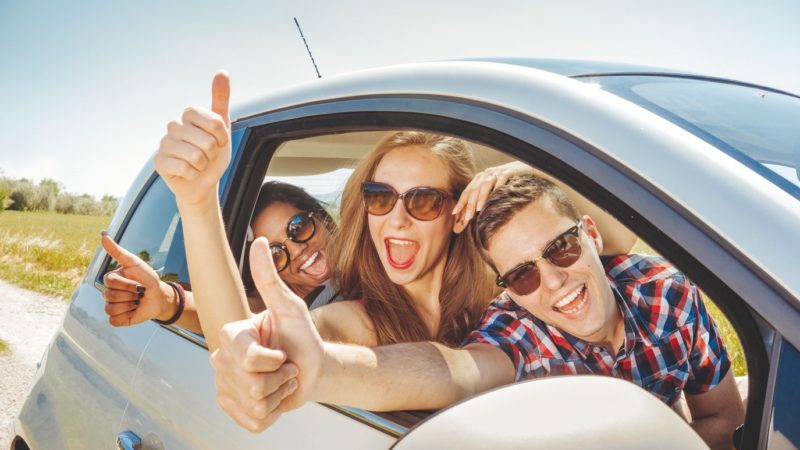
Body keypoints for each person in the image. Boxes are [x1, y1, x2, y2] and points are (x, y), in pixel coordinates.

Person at [211, 174, 744, 449]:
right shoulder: (519, 331)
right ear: (507, 289)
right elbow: (452, 369)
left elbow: (723, 415)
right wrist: (323, 369)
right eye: (523, 273)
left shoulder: (665, 294)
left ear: (591, 234)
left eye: (561, 248)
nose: (553, 281)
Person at [100, 181, 340, 333]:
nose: (297, 251)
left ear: (321, 217)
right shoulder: (276, 303)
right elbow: (238, 316)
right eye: (275, 254)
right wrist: (165, 300)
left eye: (297, 228)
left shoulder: (370, 264)